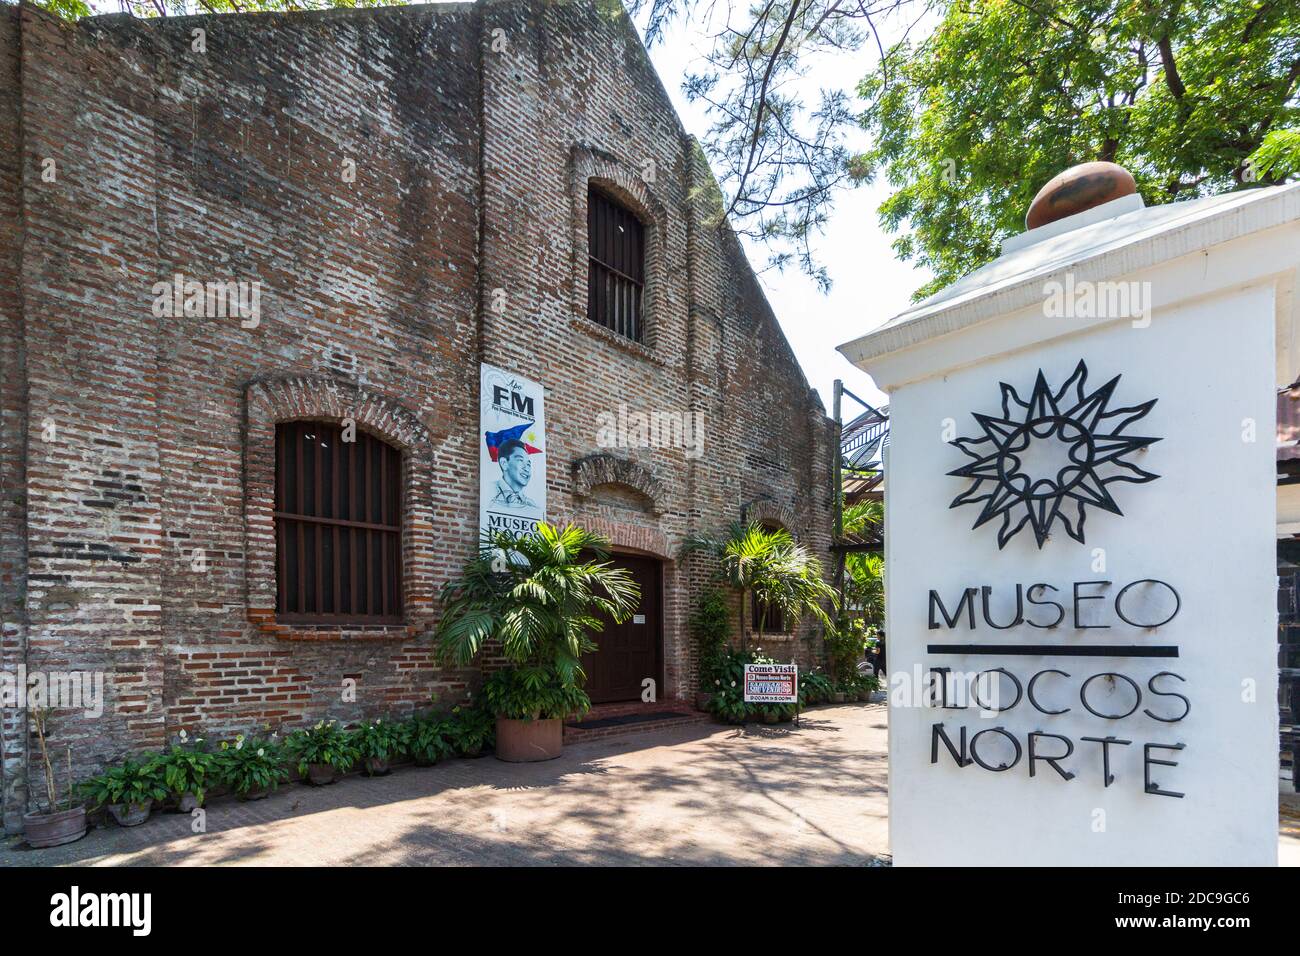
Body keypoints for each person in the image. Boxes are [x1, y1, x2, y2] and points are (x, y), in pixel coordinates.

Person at [490, 439, 538, 510]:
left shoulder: (532, 506)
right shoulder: (489, 492)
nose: (526, 469)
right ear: (504, 463)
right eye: (520, 460)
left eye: (528, 464)